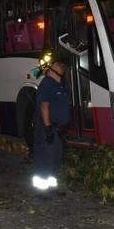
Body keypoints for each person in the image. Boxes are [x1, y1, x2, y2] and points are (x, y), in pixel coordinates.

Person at [32, 58, 71, 195]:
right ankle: (42, 191)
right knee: (45, 158)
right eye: (59, 63)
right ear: (51, 68)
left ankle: (52, 188)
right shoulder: (47, 84)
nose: (62, 65)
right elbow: (44, 107)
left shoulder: (60, 84)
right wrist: (48, 128)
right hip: (48, 128)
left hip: (58, 129)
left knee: (55, 159)